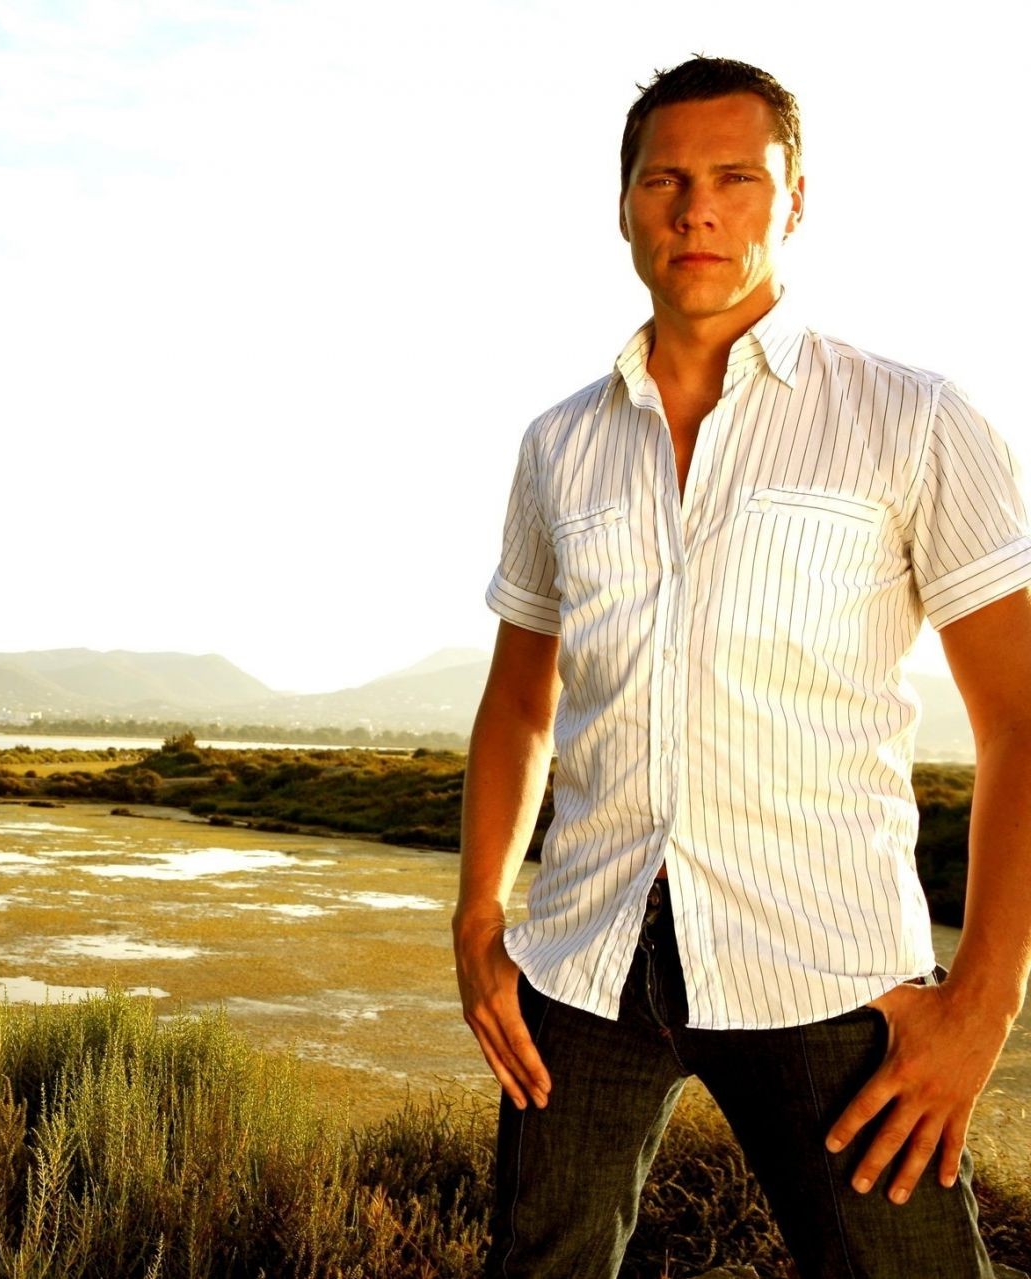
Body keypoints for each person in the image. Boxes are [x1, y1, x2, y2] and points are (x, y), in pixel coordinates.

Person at [454, 55, 1031, 1278]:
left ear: (796, 198)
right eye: (664, 179)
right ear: (624, 205)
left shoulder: (915, 418)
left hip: (831, 969)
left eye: (734, 178)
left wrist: (981, 1003)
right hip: (583, 962)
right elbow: (519, 701)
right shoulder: (558, 444)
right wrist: (478, 911)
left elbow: (1022, 722)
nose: (695, 209)